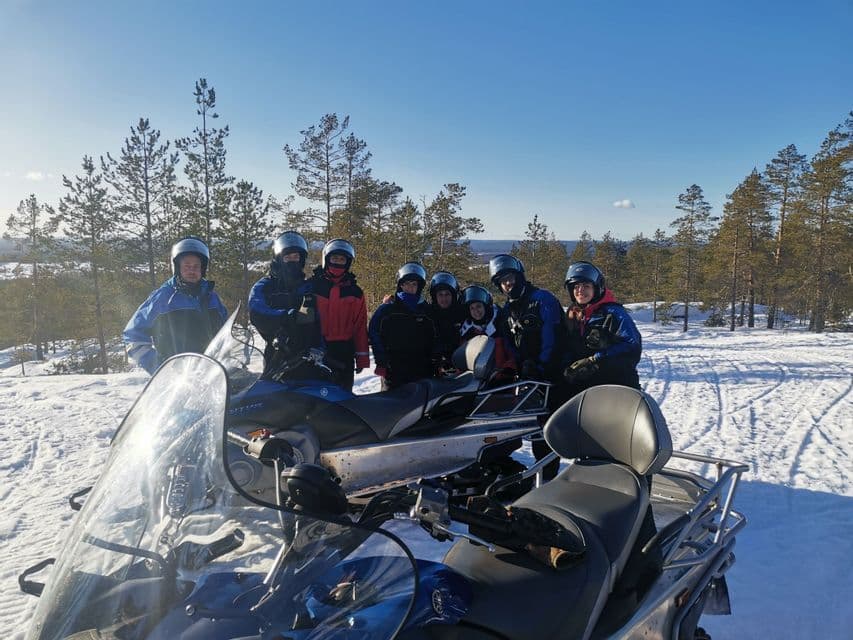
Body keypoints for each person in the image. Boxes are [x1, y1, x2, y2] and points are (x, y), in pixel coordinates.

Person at [489, 254, 567, 479]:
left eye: (510, 278)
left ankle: (552, 477)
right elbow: (506, 338)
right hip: (527, 378)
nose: (507, 284)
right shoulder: (507, 310)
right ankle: (541, 475)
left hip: (550, 376)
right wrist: (520, 365)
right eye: (502, 281)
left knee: (551, 428)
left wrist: (541, 365)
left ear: (519, 276)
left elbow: (552, 335)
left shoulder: (542, 299)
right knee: (535, 429)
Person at [123, 237, 228, 374]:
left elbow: (226, 331)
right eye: (187, 266)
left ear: (203, 269)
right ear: (177, 268)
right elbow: (133, 335)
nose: (192, 270)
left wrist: (226, 356)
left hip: (210, 373)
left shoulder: (211, 297)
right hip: (176, 379)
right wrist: (158, 366)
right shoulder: (162, 298)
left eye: (196, 266)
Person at [562, 260, 642, 394]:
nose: (580, 290)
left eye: (586, 286)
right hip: (584, 384)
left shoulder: (613, 313)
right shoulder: (573, 313)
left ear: (596, 288)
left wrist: (595, 360)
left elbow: (632, 345)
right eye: (576, 287)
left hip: (615, 384)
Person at [249, 231, 323, 371]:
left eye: (296, 257)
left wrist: (319, 347)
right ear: (279, 258)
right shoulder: (266, 286)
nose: (292, 260)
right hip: (276, 356)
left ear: (301, 260)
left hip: (307, 357)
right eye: (287, 257)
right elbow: (256, 310)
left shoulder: (308, 287)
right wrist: (285, 316)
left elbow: (318, 320)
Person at [308, 239, 370, 391]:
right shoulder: (312, 286)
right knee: (316, 397)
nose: (337, 262)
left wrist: (362, 357)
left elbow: (360, 326)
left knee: (343, 397)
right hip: (317, 349)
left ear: (347, 263)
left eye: (342, 259)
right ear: (326, 259)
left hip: (344, 351)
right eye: (334, 258)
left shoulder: (355, 292)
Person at [368, 262, 436, 389]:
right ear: (400, 285)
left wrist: (434, 359)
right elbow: (374, 332)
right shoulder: (388, 309)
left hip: (421, 369)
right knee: (392, 406)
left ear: (419, 286)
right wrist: (381, 361)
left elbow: (434, 336)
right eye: (407, 284)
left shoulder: (425, 310)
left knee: (421, 406)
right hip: (393, 370)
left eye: (414, 284)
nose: (410, 287)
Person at [458, 285, 517, 381]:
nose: (476, 311)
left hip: (503, 377)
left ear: (485, 306)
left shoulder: (500, 323)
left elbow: (511, 349)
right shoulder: (467, 330)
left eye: (478, 306)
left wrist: (510, 367)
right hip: (476, 381)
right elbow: (462, 357)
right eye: (472, 308)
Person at [426, 271, 465, 375]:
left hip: (463, 365)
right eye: (440, 295)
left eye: (447, 294)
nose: (444, 298)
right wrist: (392, 304)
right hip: (434, 367)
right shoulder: (427, 314)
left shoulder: (462, 312)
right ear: (435, 297)